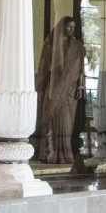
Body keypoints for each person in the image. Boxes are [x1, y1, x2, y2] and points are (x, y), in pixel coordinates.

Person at [36, 16, 87, 164]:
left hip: (69, 90)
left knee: (66, 123)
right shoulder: (51, 45)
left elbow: (81, 69)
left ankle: (65, 153)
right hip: (53, 88)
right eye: (69, 26)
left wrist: (80, 86)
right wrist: (40, 88)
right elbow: (44, 67)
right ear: (62, 27)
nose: (71, 29)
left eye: (73, 27)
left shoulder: (77, 47)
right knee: (50, 119)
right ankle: (50, 153)